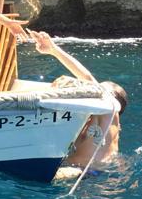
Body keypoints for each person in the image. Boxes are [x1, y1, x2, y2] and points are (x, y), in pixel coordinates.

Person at [29, 30, 128, 171]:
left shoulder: (111, 109)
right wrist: (53, 50)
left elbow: (88, 79)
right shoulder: (91, 119)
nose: (93, 89)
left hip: (80, 170)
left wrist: (55, 50)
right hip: (90, 171)